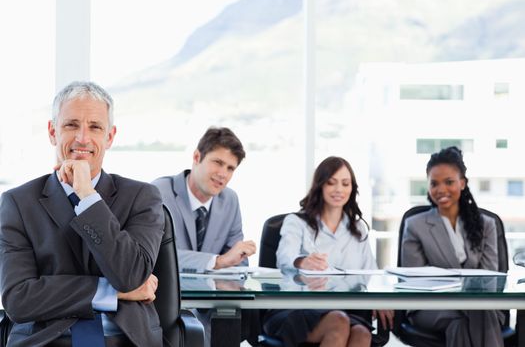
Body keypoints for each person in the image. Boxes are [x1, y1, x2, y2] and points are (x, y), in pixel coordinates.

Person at [0, 81, 165, 346]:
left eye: (95, 127)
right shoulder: (17, 203)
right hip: (48, 340)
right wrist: (113, 293)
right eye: (71, 125)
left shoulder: (142, 197)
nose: (82, 138)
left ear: (109, 137)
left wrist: (88, 198)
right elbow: (18, 299)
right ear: (53, 132)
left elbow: (131, 275)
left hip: (124, 339)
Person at [263, 156, 394, 347]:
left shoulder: (358, 229)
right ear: (320, 186)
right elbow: (284, 257)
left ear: (352, 188)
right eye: (331, 183)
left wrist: (378, 297)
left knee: (361, 333)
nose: (339, 189)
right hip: (296, 309)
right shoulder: (296, 222)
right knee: (339, 322)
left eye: (345, 183)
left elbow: (369, 273)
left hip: (344, 309)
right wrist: (302, 262)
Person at [152, 126, 257, 346]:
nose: (223, 174)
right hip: (168, 307)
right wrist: (217, 261)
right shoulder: (160, 192)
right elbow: (158, 258)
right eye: (218, 163)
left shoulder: (230, 200)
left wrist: (232, 261)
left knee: (232, 321)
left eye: (230, 168)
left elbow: (238, 259)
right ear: (197, 157)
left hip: (214, 310)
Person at [401, 146, 504, 347]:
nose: (441, 190)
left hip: (480, 305)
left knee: (468, 318)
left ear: (462, 183)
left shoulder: (486, 224)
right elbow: (416, 281)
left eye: (449, 182)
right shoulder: (415, 225)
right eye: (434, 183)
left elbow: (490, 276)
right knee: (468, 317)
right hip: (430, 306)